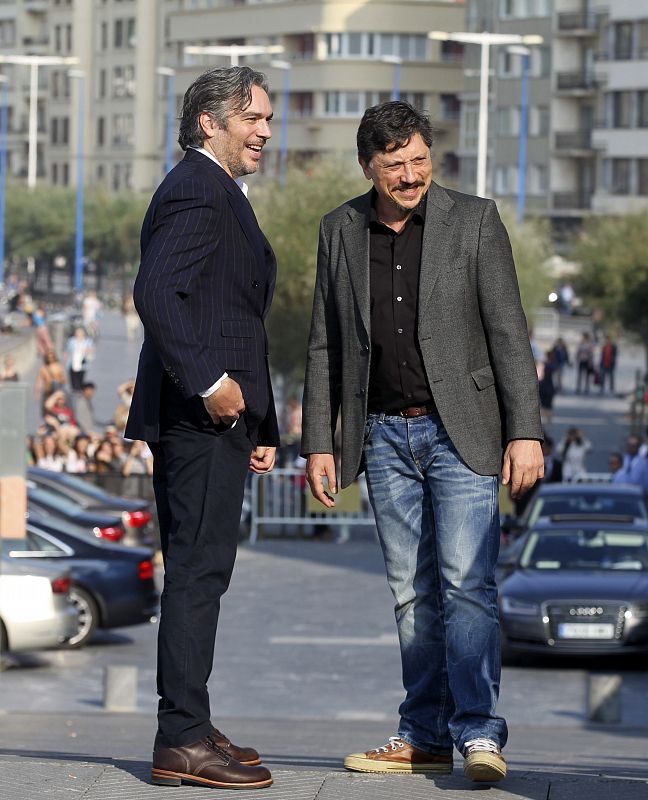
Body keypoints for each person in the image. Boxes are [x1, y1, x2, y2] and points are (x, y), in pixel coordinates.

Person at [301, 101, 543, 784]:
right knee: (411, 593)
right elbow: (324, 344)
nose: (410, 176)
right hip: (380, 436)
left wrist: (525, 429)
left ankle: (478, 734)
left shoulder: (475, 221)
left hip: (461, 431)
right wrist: (320, 440)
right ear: (368, 167)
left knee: (468, 586)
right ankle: (424, 732)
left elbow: (508, 333)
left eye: (418, 160)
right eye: (394, 165)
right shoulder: (338, 230)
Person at [124, 66, 278, 790]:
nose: (266, 132)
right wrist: (215, 386)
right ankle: (181, 737)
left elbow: (231, 314)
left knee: (202, 571)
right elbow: (156, 291)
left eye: (269, 120)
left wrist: (262, 419)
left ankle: (190, 718)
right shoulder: (197, 188)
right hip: (198, 417)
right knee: (195, 572)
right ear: (209, 122)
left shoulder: (217, 191)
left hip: (219, 421)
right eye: (254, 119)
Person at [65, 326, 94, 392]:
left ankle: (79, 391)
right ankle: (74, 392)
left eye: (80, 333)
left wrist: (86, 350)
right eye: (78, 333)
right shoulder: (71, 341)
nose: (79, 334)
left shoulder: (88, 341)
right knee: (73, 379)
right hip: (72, 362)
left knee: (80, 379)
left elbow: (92, 350)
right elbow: (67, 351)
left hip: (83, 363)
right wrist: (65, 361)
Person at [538, 350, 557, 425]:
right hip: (551, 387)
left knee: (543, 403)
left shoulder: (543, 364)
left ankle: (543, 420)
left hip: (542, 386)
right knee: (549, 404)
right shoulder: (554, 365)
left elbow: (539, 376)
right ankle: (549, 420)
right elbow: (556, 377)